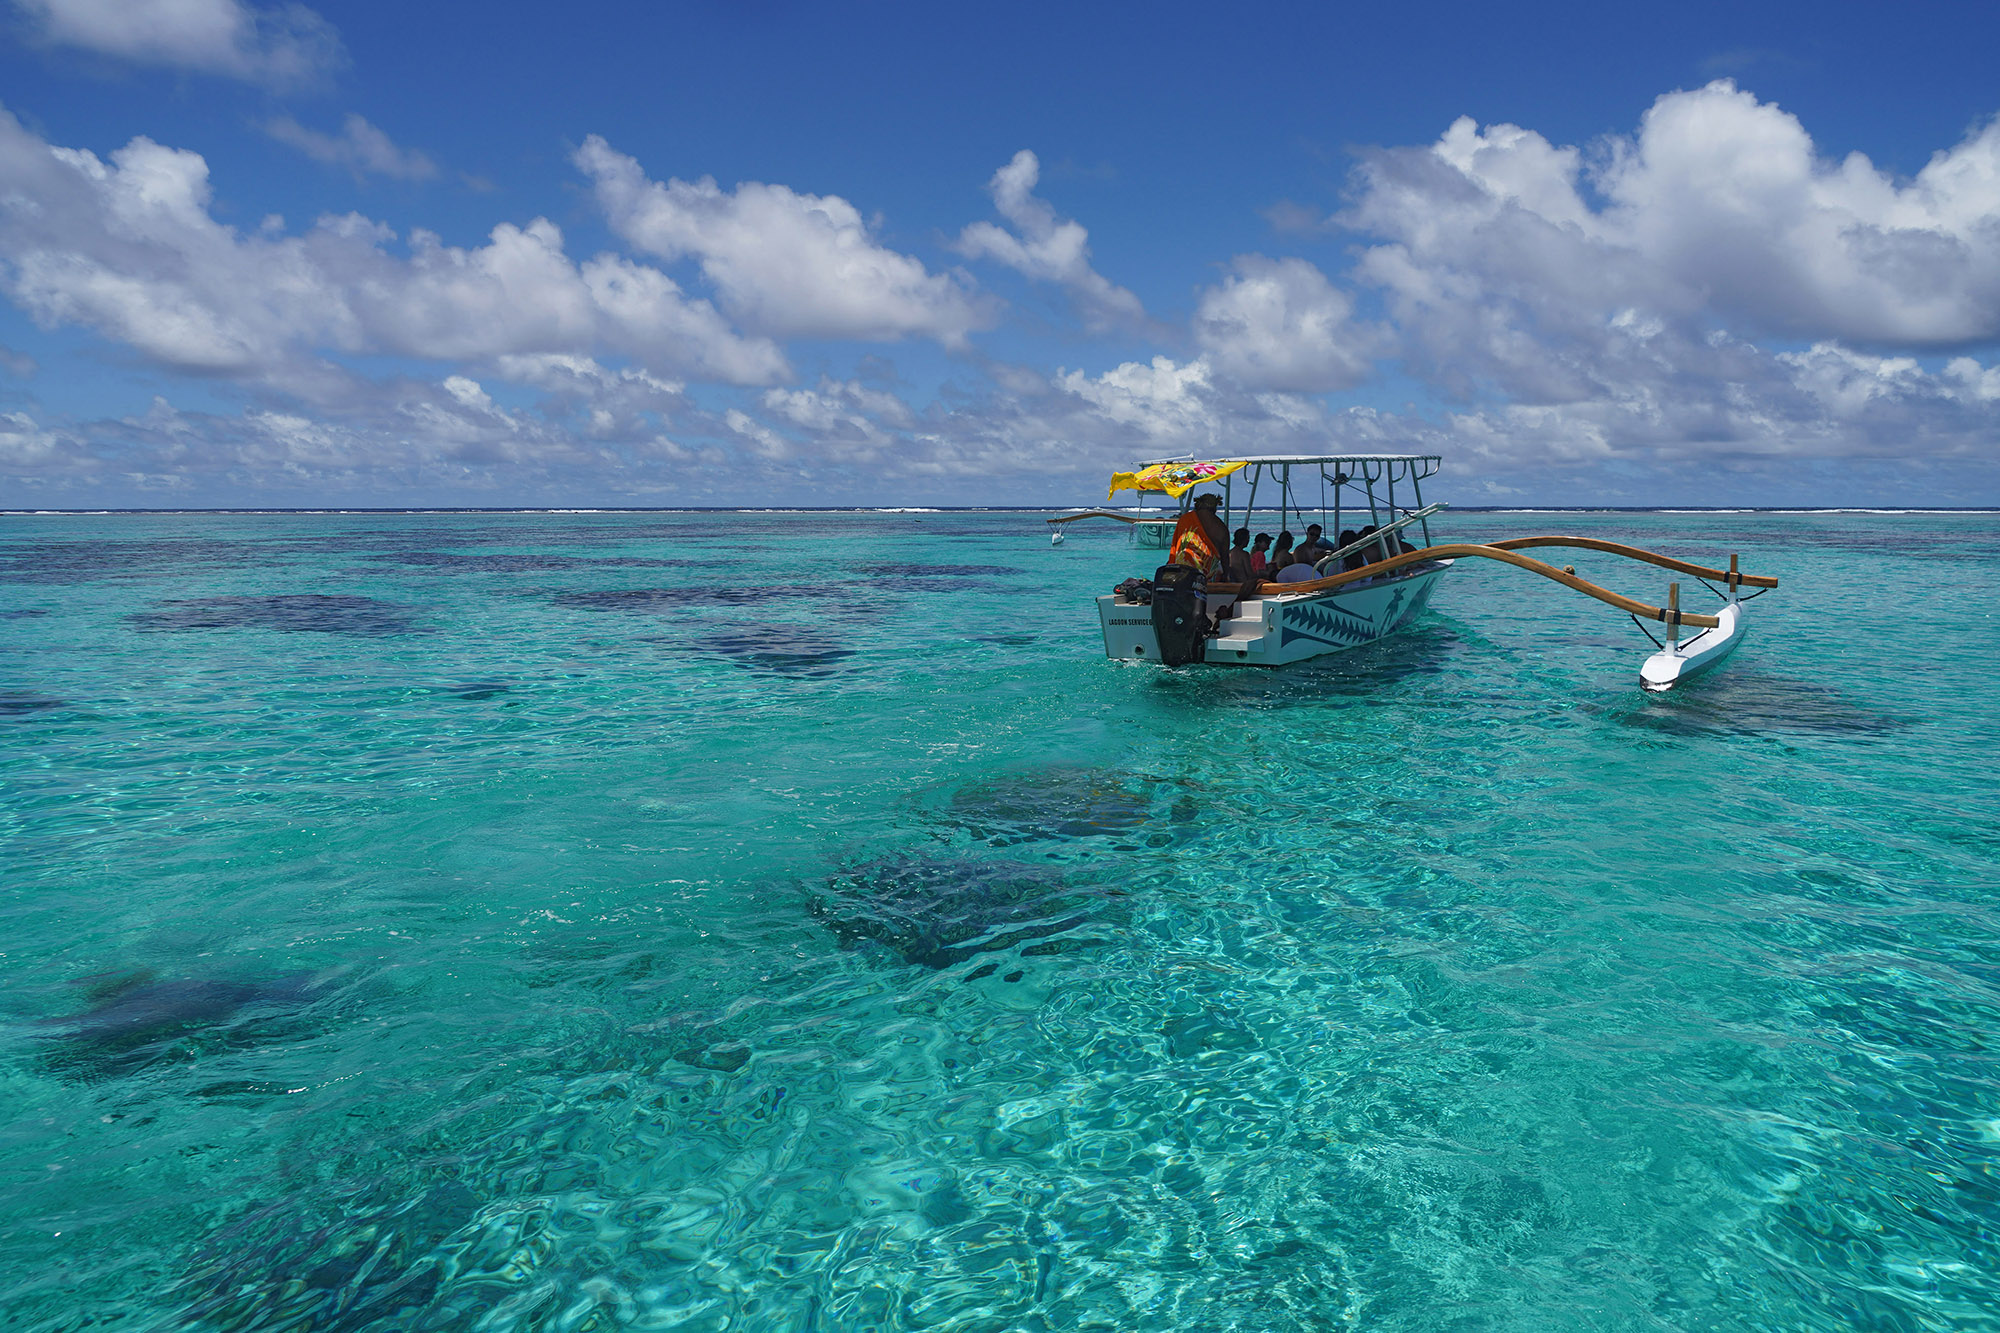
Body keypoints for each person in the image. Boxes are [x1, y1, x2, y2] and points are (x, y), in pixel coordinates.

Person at [1168, 493, 1228, 576]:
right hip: (1207, 577)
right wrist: (1226, 577)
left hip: (1181, 574)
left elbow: (1175, 546)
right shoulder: (1221, 527)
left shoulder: (1185, 519)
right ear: (1215, 507)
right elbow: (1225, 558)